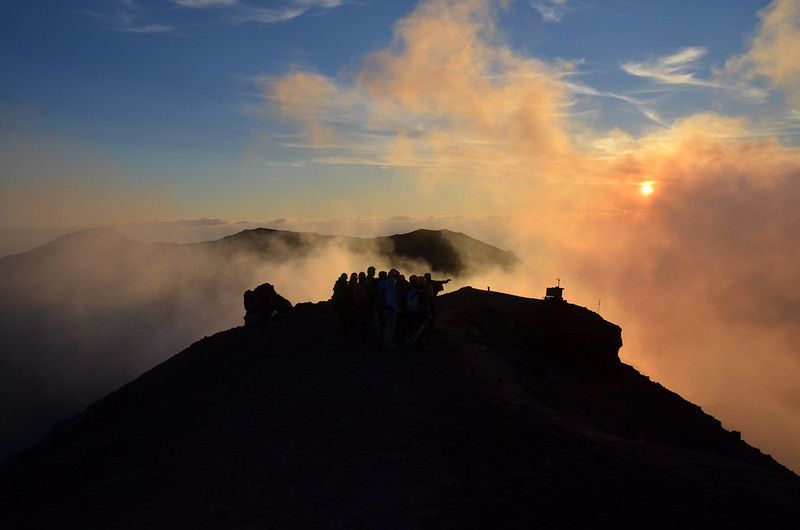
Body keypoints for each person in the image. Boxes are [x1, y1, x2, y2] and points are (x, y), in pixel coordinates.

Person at [382, 269, 401, 347]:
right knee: (390, 327)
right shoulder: (391, 290)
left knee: (388, 326)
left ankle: (387, 341)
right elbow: (391, 302)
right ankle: (388, 342)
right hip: (390, 310)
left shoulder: (385, 286)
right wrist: (397, 309)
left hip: (387, 309)